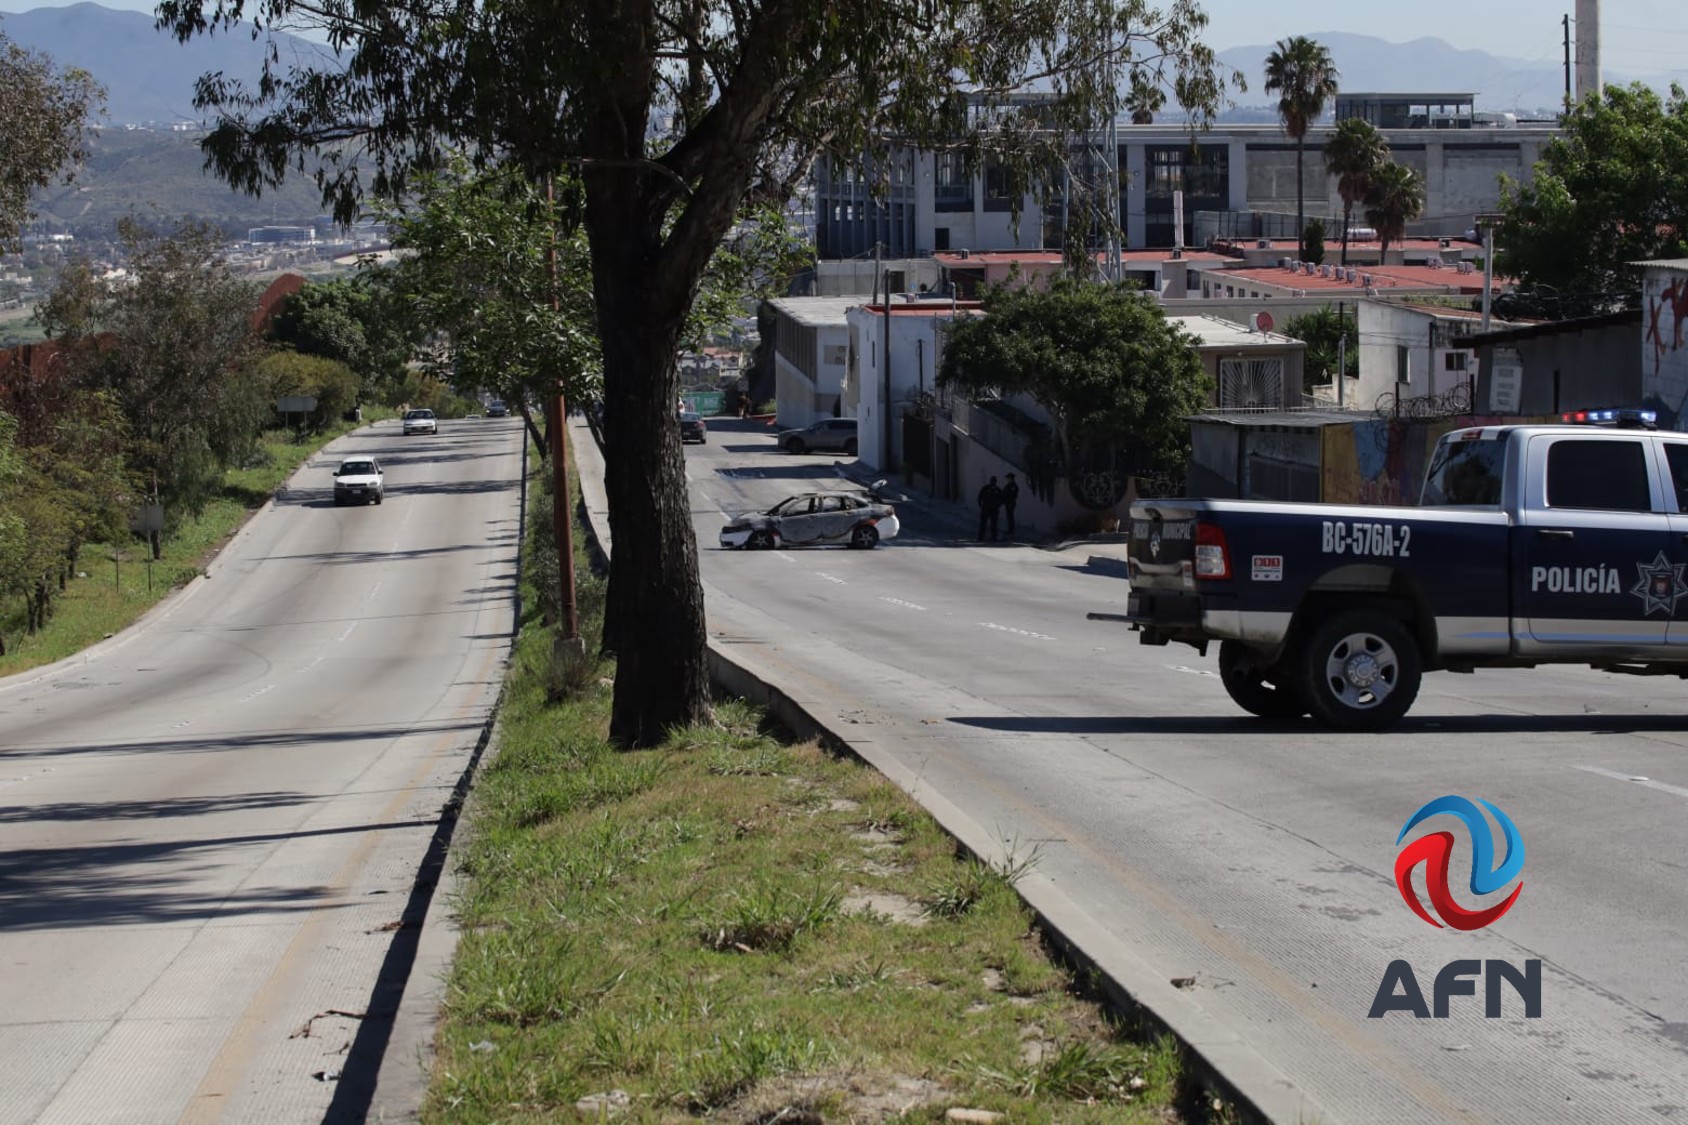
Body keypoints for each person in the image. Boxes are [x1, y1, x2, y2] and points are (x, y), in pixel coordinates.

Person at [977, 475, 1003, 542]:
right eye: (992, 481)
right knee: (983, 524)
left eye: (994, 481)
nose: (993, 482)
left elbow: (1001, 499)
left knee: (994, 524)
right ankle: (981, 537)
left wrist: (997, 506)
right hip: (985, 508)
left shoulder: (997, 490)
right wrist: (981, 505)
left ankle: (993, 537)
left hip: (994, 509)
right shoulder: (985, 488)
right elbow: (980, 497)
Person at [1001, 471, 1020, 537]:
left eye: (1008, 478)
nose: (1007, 479)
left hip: (1010, 503)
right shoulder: (1009, 485)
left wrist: (1011, 502)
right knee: (1009, 516)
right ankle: (1010, 529)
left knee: (1010, 516)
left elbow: (1014, 495)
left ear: (1011, 478)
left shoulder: (1013, 486)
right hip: (1007, 502)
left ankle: (1011, 530)